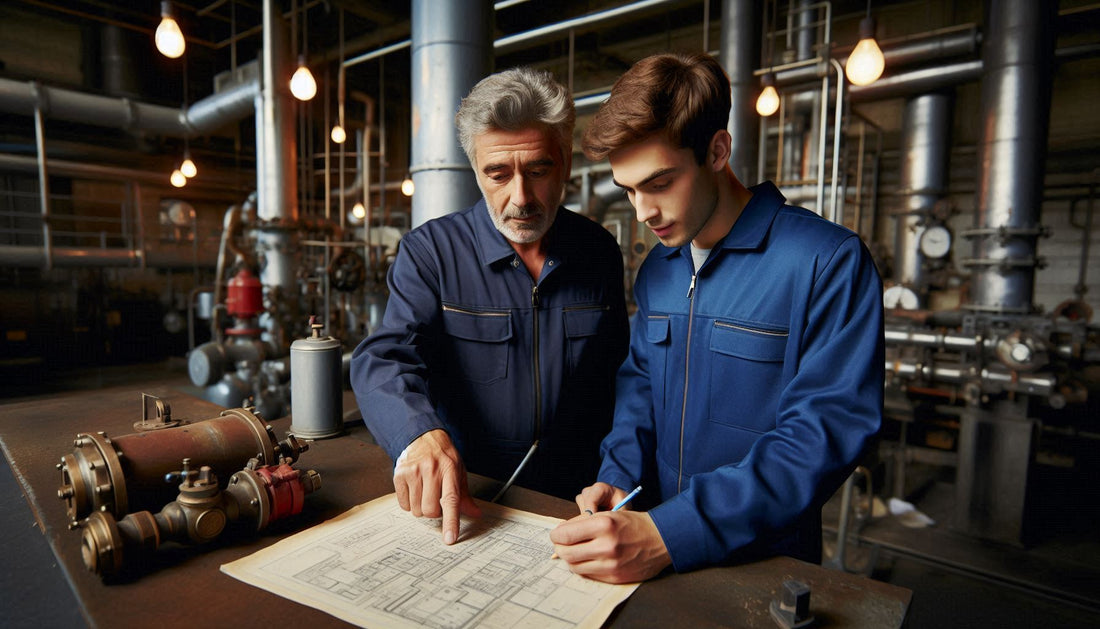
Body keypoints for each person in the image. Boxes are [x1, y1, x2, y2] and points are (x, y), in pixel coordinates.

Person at [549, 52, 884, 583]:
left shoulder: (824, 261)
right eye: (629, 190)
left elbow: (822, 434)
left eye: (659, 183)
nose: (642, 213)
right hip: (650, 545)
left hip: (764, 561)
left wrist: (674, 532)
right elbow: (640, 389)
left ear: (717, 151)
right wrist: (620, 475)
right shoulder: (659, 270)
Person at [350, 66, 629, 546]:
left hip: (577, 501)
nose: (519, 198)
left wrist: (621, 468)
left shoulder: (598, 251)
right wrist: (416, 433)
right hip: (474, 501)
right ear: (474, 169)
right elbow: (383, 357)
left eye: (538, 170)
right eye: (498, 174)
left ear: (564, 161)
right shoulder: (431, 252)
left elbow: (623, 377)